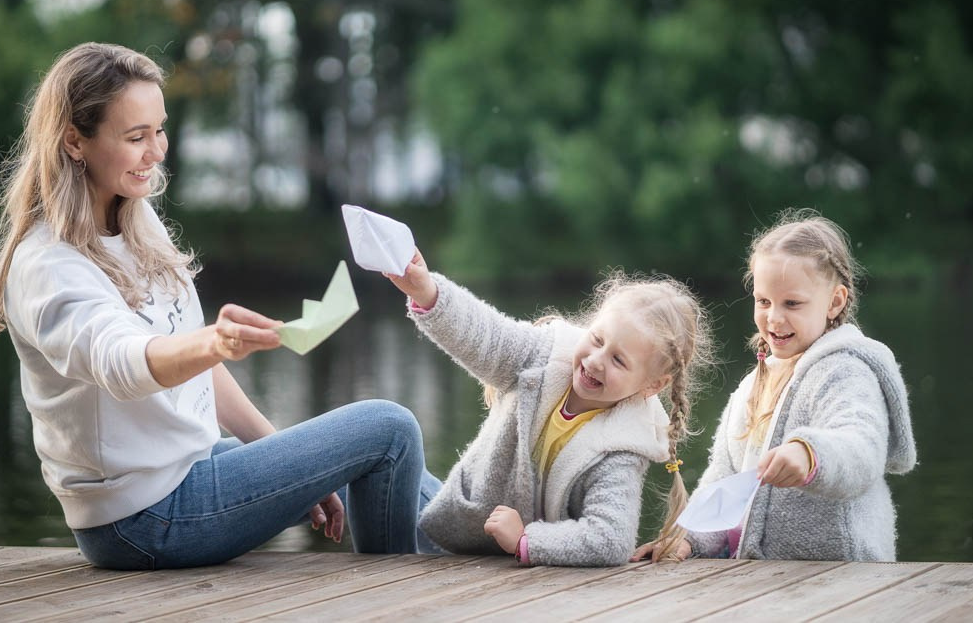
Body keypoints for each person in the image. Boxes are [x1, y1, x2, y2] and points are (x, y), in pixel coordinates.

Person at [0, 42, 425, 569]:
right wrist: (213, 341)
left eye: (159, 130)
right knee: (388, 427)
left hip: (191, 470)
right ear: (75, 140)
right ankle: (395, 596)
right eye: (136, 137)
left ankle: (499, 530)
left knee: (405, 476)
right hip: (141, 519)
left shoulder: (135, 218)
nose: (157, 151)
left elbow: (196, 372)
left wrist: (283, 453)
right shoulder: (47, 265)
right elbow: (123, 365)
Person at [384, 249, 713, 566]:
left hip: (473, 556)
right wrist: (427, 291)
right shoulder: (545, 354)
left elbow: (610, 539)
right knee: (384, 437)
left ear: (652, 386)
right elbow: (485, 336)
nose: (596, 361)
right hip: (451, 522)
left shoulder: (623, 447)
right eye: (597, 339)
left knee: (383, 436)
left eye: (618, 360)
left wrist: (526, 541)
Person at [633, 209, 917, 563]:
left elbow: (861, 448)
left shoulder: (845, 371)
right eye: (764, 301)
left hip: (843, 576)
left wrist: (810, 454)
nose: (774, 317)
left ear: (835, 302)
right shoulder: (753, 384)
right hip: (764, 578)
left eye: (792, 304)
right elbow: (724, 480)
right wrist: (687, 539)